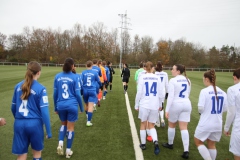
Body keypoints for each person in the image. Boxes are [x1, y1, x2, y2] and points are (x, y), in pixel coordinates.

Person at [11, 61, 52, 160]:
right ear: (38, 72)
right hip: (35, 124)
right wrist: (49, 131)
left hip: (19, 123)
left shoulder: (17, 86)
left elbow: (13, 108)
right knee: (37, 155)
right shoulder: (41, 89)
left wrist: (19, 119)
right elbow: (45, 112)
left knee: (21, 155)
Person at [54, 58, 84, 158]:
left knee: (63, 125)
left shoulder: (57, 76)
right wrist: (81, 107)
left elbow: (55, 94)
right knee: (71, 128)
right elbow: (78, 95)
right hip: (72, 105)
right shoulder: (75, 77)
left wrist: (55, 107)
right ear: (72, 66)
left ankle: (60, 142)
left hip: (61, 105)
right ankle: (68, 151)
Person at [194, 69, 227, 160]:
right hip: (218, 123)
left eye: (203, 79)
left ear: (206, 79)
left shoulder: (204, 91)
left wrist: (203, 113)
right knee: (211, 144)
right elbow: (225, 108)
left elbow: (200, 108)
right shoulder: (223, 93)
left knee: (197, 141)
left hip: (206, 122)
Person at [162, 64, 191, 159]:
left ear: (178, 71)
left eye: (173, 69)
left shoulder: (173, 80)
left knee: (172, 125)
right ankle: (186, 150)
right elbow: (188, 93)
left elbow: (170, 97)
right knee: (184, 128)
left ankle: (170, 144)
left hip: (176, 104)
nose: (171, 70)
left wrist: (167, 109)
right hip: (186, 103)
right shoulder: (188, 80)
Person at [134, 61, 164, 155]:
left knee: (143, 124)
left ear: (145, 68)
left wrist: (136, 104)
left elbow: (139, 92)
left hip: (144, 104)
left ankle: (143, 144)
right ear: (152, 68)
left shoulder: (142, 77)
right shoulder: (157, 78)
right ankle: (155, 141)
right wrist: (160, 104)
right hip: (154, 104)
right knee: (151, 125)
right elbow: (161, 93)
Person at [224, 68, 240, 160]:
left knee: (237, 153)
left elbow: (231, 112)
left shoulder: (232, 89)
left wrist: (226, 128)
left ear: (234, 77)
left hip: (238, 125)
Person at [81, 60, 102, 126]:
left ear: (86, 65)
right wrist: (100, 85)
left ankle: (87, 116)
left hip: (85, 90)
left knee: (86, 104)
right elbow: (98, 81)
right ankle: (88, 121)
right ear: (92, 65)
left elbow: (81, 81)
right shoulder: (94, 73)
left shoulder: (83, 72)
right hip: (92, 90)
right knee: (91, 106)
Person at [154, 61, 169, 128]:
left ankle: (157, 122)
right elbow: (167, 85)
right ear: (162, 66)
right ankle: (162, 119)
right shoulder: (165, 74)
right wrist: (167, 93)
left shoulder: (154, 74)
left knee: (156, 107)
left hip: (156, 92)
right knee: (161, 106)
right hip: (162, 92)